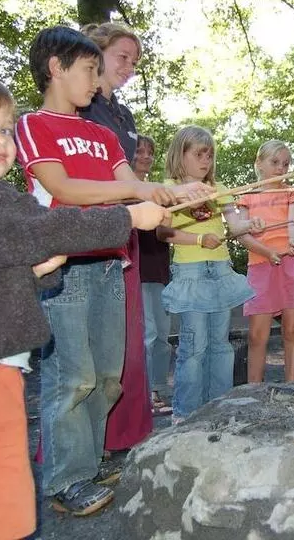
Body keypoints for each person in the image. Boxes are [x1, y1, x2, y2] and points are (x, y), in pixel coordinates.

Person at [0, 67, 170, 537]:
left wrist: (31, 270)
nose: (0, 139)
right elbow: (46, 227)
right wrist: (128, 217)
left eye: (5, 128)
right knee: (1, 497)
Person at [15, 26, 212, 516]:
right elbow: (67, 188)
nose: (97, 77)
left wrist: (171, 192)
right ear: (56, 68)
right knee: (71, 377)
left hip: (109, 262)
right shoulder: (32, 124)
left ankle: (90, 461)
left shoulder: (102, 134)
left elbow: (130, 182)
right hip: (64, 266)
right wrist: (133, 201)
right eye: (89, 68)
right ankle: (65, 481)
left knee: (106, 377)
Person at [79, 21, 153, 453]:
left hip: (126, 229)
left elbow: (129, 178)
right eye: (122, 56)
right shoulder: (81, 108)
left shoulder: (122, 114)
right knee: (91, 341)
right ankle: (83, 445)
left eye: (134, 61)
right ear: (96, 51)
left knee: (126, 338)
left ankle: (122, 435)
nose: (129, 67)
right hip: (92, 231)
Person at [157, 125, 263, 421]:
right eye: (199, 154)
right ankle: (186, 414)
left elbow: (235, 225)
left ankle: (219, 408)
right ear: (181, 155)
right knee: (194, 346)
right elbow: (162, 232)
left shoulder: (218, 190)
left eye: (209, 155)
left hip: (220, 270)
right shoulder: (169, 189)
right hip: (191, 273)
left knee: (220, 345)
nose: (206, 161)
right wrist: (199, 240)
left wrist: (250, 225)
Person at [237, 140, 294, 382]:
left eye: (286, 163)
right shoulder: (246, 198)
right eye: (274, 162)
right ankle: (253, 390)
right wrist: (266, 251)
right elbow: (241, 234)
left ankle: (292, 386)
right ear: (259, 164)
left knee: (292, 330)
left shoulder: (293, 193)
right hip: (262, 265)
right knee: (256, 335)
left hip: (292, 263)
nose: (281, 168)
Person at [133, 135, 173, 413]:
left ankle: (157, 388)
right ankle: (145, 394)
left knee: (161, 335)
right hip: (134, 272)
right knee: (147, 335)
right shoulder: (118, 191)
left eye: (151, 152)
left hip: (158, 272)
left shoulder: (157, 193)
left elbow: (167, 233)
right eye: (140, 151)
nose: (146, 156)